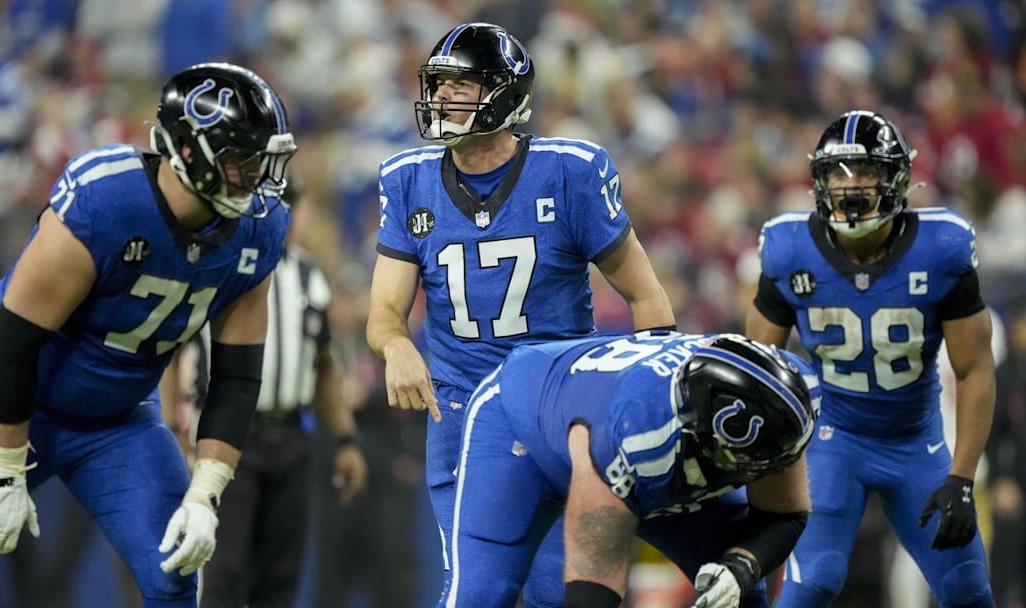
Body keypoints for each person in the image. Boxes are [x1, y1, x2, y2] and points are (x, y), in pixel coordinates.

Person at [0, 62, 297, 606]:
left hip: (117, 419)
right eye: (241, 160)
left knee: (174, 569)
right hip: (16, 397)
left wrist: (206, 490)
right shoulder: (105, 200)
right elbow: (13, 342)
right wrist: (6, 469)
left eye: (261, 161)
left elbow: (238, 374)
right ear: (187, 152)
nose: (257, 178)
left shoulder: (259, 231)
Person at [364, 21, 676, 607]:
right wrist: (398, 346)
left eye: (463, 85)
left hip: (556, 412)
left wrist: (649, 394)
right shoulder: (408, 180)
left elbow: (647, 297)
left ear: (504, 94)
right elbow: (383, 309)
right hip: (461, 412)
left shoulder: (570, 171)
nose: (444, 98)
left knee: (557, 596)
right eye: (440, 84)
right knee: (478, 592)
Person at [746, 110, 996, 607]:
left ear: (898, 180)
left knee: (968, 589)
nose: (850, 186)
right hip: (834, 439)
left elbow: (975, 369)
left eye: (865, 171)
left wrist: (963, 477)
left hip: (915, 441)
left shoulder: (941, 248)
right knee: (810, 583)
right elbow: (758, 370)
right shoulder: (789, 248)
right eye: (837, 174)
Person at [445, 330, 819, 608]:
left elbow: (783, 515)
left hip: (640, 449)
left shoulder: (786, 394)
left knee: (737, 597)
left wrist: (742, 566)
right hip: (522, 422)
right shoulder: (640, 437)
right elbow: (591, 591)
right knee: (482, 594)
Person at [165, 177, 370, 608]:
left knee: (281, 575)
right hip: (227, 437)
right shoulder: (221, 262)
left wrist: (347, 439)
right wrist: (170, 426)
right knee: (223, 568)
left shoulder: (311, 276)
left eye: (291, 205)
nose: (285, 216)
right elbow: (173, 349)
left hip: (291, 439)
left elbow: (324, 365)